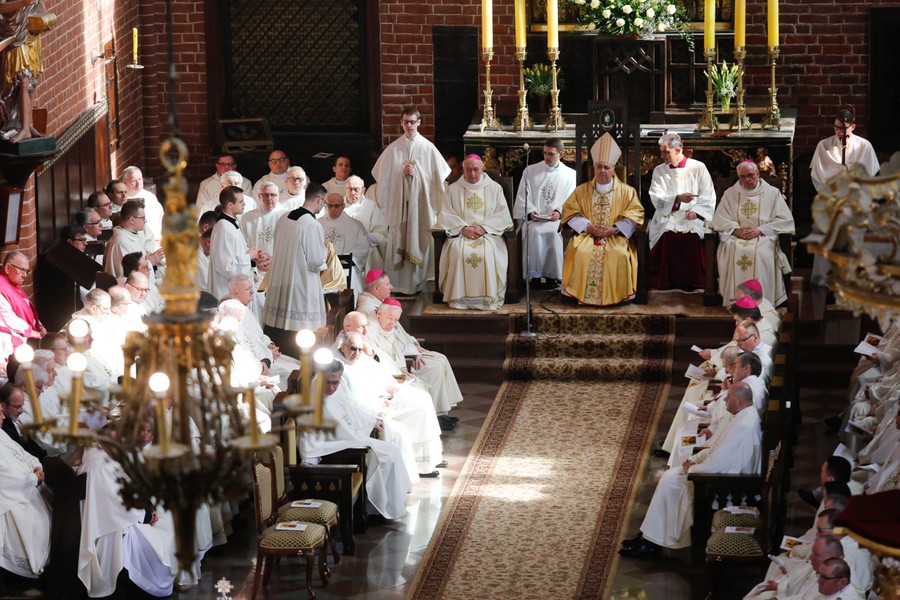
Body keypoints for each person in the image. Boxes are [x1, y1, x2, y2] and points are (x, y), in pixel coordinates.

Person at [621, 382, 761, 557]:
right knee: (670, 477)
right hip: (717, 474)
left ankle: (653, 542)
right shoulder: (741, 416)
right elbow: (718, 451)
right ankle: (650, 538)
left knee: (671, 480)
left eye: (729, 397)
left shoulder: (743, 426)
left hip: (726, 486)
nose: (725, 399)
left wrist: (693, 469)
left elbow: (722, 465)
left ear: (740, 401)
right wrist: (694, 460)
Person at [301, 360, 417, 520]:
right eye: (328, 383)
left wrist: (372, 419)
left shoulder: (339, 388)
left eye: (335, 382)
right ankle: (373, 509)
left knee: (392, 450)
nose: (332, 388)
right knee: (381, 458)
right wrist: (309, 458)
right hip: (333, 446)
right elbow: (309, 432)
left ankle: (392, 503)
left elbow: (351, 405)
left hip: (350, 437)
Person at [336, 332, 443, 477]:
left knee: (424, 399)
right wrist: (379, 400)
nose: (357, 353)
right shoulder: (339, 367)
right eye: (353, 349)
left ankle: (430, 459)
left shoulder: (359, 359)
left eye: (359, 350)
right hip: (371, 409)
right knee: (417, 409)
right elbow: (351, 399)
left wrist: (388, 390)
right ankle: (419, 465)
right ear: (343, 347)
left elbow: (375, 377)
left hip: (381, 398)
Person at [371, 106, 450, 294]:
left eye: (412, 122)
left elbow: (438, 182)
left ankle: (422, 283)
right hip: (399, 208)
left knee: (418, 235)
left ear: (419, 122)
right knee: (399, 236)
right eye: (406, 122)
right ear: (401, 123)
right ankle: (397, 285)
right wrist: (400, 176)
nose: (409, 126)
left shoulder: (428, 149)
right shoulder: (393, 150)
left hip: (420, 208)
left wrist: (417, 175)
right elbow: (383, 181)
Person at [560, 133, 644, 306]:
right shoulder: (581, 190)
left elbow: (635, 213)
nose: (603, 171)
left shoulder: (628, 192)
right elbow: (569, 210)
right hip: (588, 236)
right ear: (594, 169)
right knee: (580, 252)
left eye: (606, 167)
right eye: (599, 167)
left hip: (615, 237)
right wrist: (587, 227)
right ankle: (575, 294)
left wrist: (616, 229)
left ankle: (617, 296)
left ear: (614, 169)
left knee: (619, 254)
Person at [810, 106, 880, 286]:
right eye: (836, 127)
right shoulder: (824, 146)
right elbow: (817, 177)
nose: (839, 131)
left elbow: (869, 177)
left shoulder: (864, 146)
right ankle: (824, 280)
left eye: (843, 128)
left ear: (853, 127)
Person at [436, 154, 513, 310]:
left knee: (487, 253)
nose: (472, 174)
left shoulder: (494, 189)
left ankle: (487, 298)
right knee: (458, 252)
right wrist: (463, 229)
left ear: (482, 168)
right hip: (461, 235)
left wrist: (483, 228)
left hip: (488, 235)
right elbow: (445, 214)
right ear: (462, 169)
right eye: (468, 170)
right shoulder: (453, 189)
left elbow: (503, 215)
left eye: (476, 170)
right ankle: (459, 299)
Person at [712, 161, 795, 307]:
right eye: (742, 177)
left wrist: (760, 230)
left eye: (750, 175)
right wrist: (735, 230)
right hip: (736, 237)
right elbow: (719, 219)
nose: (747, 180)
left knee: (759, 253)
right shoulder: (731, 193)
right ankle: (736, 300)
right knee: (735, 250)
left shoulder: (772, 193)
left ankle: (761, 301)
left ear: (758, 174)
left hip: (763, 236)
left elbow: (785, 219)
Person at [368, 298, 463, 416]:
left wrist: (402, 367)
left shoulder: (386, 326)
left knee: (421, 385)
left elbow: (395, 350)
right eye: (389, 318)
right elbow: (377, 360)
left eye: (396, 320)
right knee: (418, 388)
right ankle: (432, 419)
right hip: (383, 376)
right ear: (379, 313)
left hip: (396, 370)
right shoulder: (370, 331)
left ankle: (437, 416)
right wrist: (400, 372)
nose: (392, 323)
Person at [647, 133, 716, 291]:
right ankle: (666, 283)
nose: (662, 155)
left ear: (678, 150)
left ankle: (694, 282)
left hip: (691, 216)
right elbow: (656, 197)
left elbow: (708, 195)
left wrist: (697, 212)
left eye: (666, 152)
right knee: (668, 236)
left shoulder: (698, 167)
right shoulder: (659, 171)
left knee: (691, 238)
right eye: (661, 151)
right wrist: (677, 199)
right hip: (668, 215)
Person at [263, 183, 328, 338]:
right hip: (300, 284)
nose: (323, 206)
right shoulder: (312, 225)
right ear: (319, 199)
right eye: (324, 202)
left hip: (279, 281)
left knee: (278, 329)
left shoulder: (284, 217)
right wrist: (325, 251)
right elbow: (316, 261)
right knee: (299, 331)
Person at [513, 138, 576, 286]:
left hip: (556, 221)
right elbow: (523, 196)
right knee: (534, 232)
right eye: (545, 153)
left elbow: (572, 199)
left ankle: (552, 277)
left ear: (561, 154)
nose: (546, 157)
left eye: (551, 154)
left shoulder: (571, 175)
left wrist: (559, 212)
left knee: (554, 233)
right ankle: (534, 277)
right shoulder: (530, 171)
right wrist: (531, 212)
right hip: (535, 220)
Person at [0, 399, 51, 579]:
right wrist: (31, 478)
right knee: (37, 522)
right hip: (10, 496)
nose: (3, 416)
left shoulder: (2, 434)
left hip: (29, 485)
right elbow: (4, 476)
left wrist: (36, 467)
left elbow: (24, 454)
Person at [208, 186, 263, 300]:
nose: (244, 204)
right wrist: (249, 257)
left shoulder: (231, 224)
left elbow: (234, 254)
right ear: (230, 205)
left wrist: (250, 255)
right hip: (226, 290)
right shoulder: (224, 228)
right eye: (241, 201)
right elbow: (226, 267)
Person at [318, 192, 370, 297]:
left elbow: (363, 246)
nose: (332, 209)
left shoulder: (355, 225)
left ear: (343, 206)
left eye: (336, 206)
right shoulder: (317, 224)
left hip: (346, 267)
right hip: (323, 268)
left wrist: (345, 259)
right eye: (330, 205)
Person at [103, 200, 164, 278]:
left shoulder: (130, 236)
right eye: (143, 218)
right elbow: (129, 274)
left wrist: (146, 257)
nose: (145, 221)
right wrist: (150, 262)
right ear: (132, 220)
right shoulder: (121, 242)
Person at [0, 250, 44, 349]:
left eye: (27, 271)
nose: (25, 275)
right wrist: (33, 333)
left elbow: (26, 304)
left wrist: (39, 325)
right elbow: (8, 319)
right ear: (8, 268)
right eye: (22, 270)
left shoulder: (12, 280)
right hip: (16, 343)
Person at [344, 175, 388, 271]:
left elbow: (381, 232)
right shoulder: (337, 205)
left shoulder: (371, 207)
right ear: (345, 189)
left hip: (364, 247)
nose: (352, 193)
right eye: (349, 189)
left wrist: (369, 237)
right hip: (342, 244)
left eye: (356, 189)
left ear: (363, 190)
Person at [122, 166, 164, 249]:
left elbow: (160, 218)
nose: (138, 184)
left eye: (140, 179)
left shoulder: (150, 197)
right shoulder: (123, 199)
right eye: (134, 181)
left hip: (156, 241)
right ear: (125, 182)